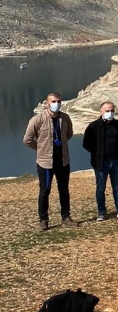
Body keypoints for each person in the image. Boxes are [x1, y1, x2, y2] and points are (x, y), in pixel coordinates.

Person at [24, 92, 75, 231]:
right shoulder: (37, 119)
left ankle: (66, 217)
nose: (56, 104)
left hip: (63, 161)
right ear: (47, 103)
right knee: (44, 191)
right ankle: (43, 220)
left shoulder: (65, 118)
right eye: (53, 101)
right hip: (45, 163)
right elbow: (27, 140)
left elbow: (69, 134)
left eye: (58, 101)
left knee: (64, 189)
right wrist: (40, 149)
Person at [82, 101, 118, 222]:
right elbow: (86, 144)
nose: (110, 113)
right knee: (100, 188)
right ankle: (102, 212)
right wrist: (98, 153)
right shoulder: (93, 126)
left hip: (116, 161)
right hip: (101, 163)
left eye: (112, 111)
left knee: (117, 187)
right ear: (101, 112)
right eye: (107, 111)